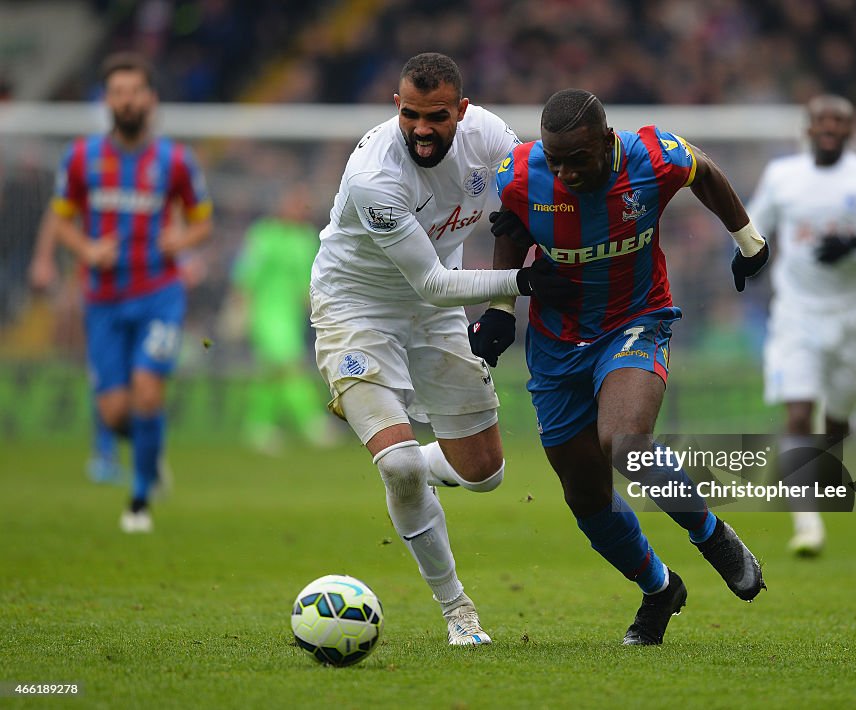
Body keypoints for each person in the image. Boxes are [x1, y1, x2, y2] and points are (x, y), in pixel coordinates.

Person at [468, 88, 769, 646]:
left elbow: (705, 172)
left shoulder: (652, 157)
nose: (565, 172)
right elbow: (508, 233)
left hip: (637, 319)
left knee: (626, 441)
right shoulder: (520, 174)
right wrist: (500, 308)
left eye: (577, 159)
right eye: (555, 160)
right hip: (557, 344)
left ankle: (712, 537)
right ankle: (659, 589)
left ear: (607, 142)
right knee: (586, 496)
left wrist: (749, 242)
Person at [309, 53, 567, 646]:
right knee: (397, 464)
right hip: (358, 309)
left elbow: (526, 209)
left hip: (437, 311)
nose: (423, 129)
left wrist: (506, 305)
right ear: (397, 107)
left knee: (485, 475)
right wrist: (520, 286)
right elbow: (428, 282)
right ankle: (458, 610)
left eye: (437, 117)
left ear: (462, 111)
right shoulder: (375, 176)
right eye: (412, 116)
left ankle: (407, 464)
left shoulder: (493, 138)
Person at [745, 94, 856, 556]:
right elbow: (753, 224)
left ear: (850, 129)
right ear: (808, 127)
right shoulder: (783, 177)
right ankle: (807, 525)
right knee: (798, 412)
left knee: (836, 423)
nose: (828, 126)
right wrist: (744, 259)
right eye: (821, 119)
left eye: (838, 120)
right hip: (796, 312)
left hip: (854, 315)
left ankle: (837, 430)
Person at [50, 52, 213, 533]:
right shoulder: (81, 158)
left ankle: (139, 501)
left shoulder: (175, 160)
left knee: (146, 391)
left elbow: (202, 223)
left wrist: (179, 240)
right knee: (115, 410)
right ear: (108, 100)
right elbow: (61, 221)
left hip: (159, 293)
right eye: (117, 92)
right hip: (101, 299)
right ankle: (151, 449)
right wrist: (86, 248)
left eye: (134, 91)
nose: (126, 100)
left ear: (151, 98)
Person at [230, 183, 336, 454]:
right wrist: (239, 308)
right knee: (289, 365)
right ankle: (311, 422)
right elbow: (246, 273)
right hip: (265, 312)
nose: (299, 210)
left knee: (271, 372)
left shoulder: (306, 239)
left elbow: (308, 281)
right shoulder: (264, 234)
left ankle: (258, 427)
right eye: (295, 204)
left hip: (290, 315)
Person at [29, 210, 126, 484]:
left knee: (133, 374)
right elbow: (57, 215)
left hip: (143, 289)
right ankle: (104, 454)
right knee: (105, 372)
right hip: (98, 288)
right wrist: (44, 259)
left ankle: (135, 449)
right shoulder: (89, 170)